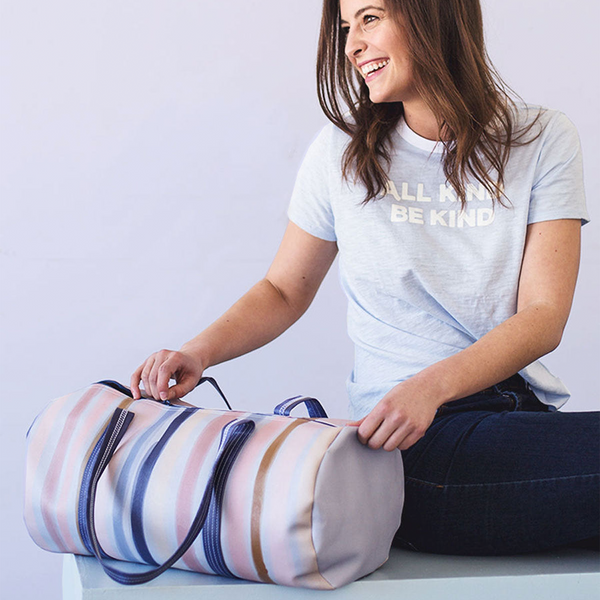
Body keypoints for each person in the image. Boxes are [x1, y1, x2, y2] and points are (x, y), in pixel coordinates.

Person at [131, 0, 599, 555]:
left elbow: (543, 317)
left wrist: (434, 384)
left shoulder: (541, 138)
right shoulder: (341, 153)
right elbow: (284, 289)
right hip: (412, 445)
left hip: (518, 414)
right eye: (346, 26)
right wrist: (199, 352)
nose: (351, 44)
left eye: (370, 18)